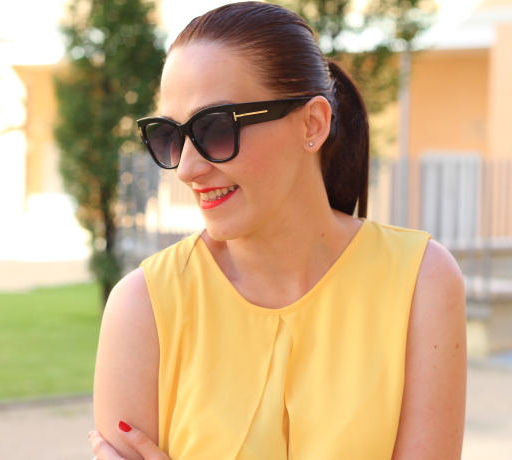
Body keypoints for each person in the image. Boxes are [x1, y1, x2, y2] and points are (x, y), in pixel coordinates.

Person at [88, 2, 467, 459]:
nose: (186, 169)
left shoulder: (421, 281)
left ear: (312, 124)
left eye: (215, 128)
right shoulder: (144, 305)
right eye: (169, 135)